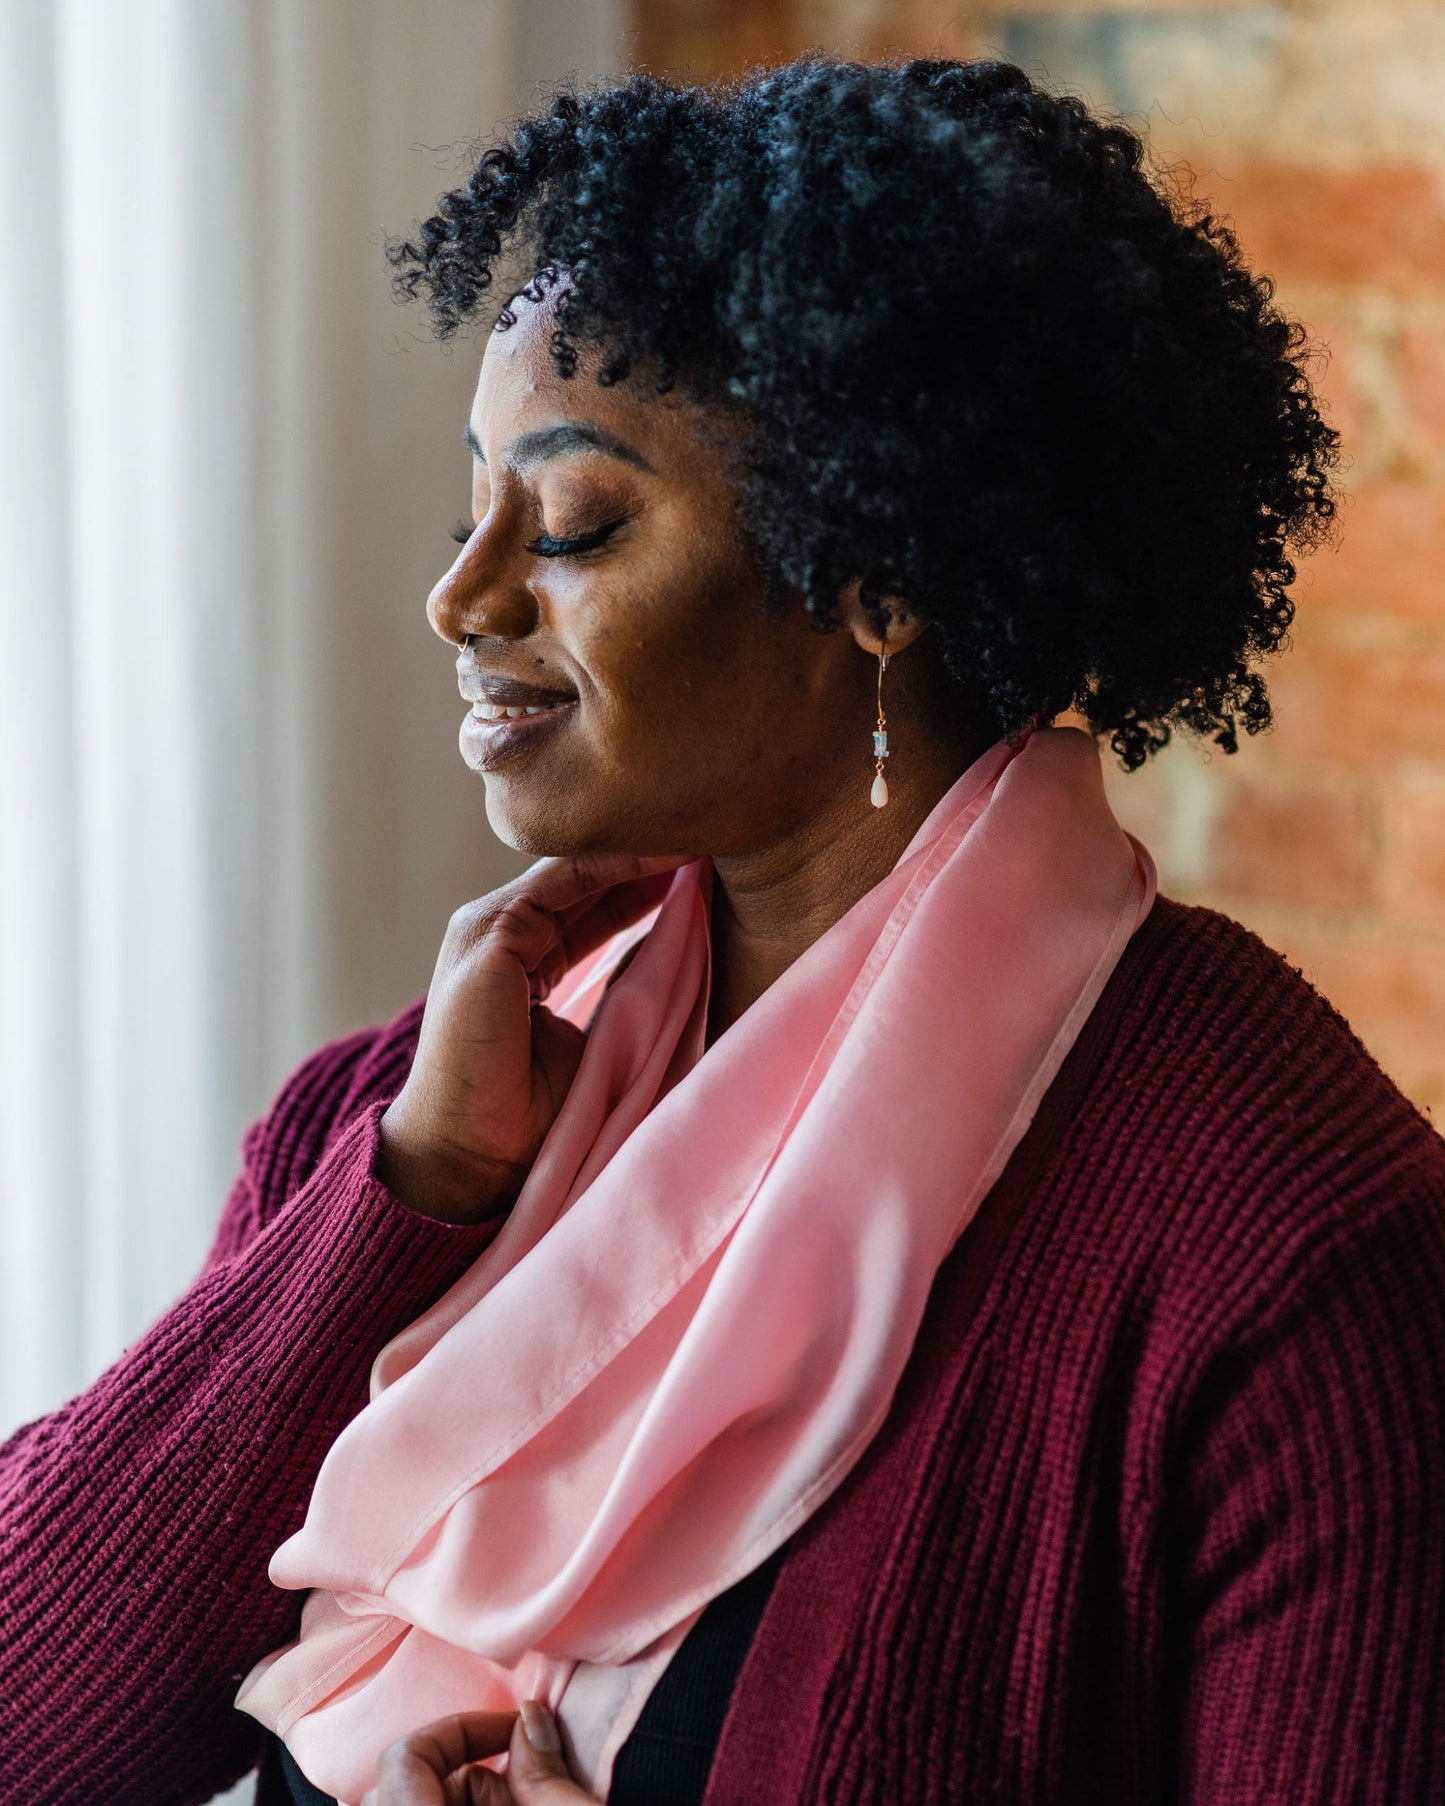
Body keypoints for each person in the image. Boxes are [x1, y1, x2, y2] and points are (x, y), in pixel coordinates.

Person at [3, 55, 1443, 1806]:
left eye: (579, 520)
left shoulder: (1284, 1267)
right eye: (475, 510)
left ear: (878, 577)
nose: (461, 596)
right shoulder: (424, 1117)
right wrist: (413, 1191)